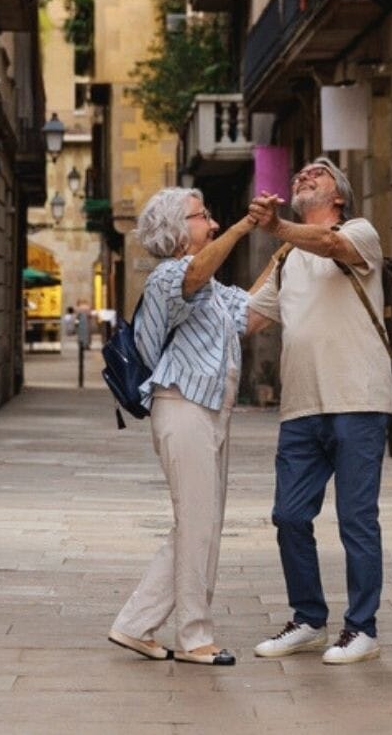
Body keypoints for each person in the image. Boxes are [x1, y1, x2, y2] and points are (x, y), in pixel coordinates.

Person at [107, 188, 266, 666]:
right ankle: (195, 637)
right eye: (204, 217)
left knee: (201, 524)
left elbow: (253, 314)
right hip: (181, 405)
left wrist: (287, 248)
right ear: (178, 229)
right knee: (197, 523)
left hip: (212, 410)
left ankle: (135, 625)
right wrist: (245, 226)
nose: (213, 223)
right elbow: (195, 274)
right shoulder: (169, 276)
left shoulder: (213, 290)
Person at [244, 157, 390, 665]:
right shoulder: (286, 259)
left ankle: (362, 628)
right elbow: (245, 320)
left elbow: (331, 246)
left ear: (339, 197)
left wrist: (279, 227)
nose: (305, 174)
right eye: (300, 173)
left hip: (359, 400)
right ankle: (308, 619)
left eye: (319, 173)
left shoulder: (359, 232)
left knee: (356, 520)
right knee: (288, 516)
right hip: (301, 407)